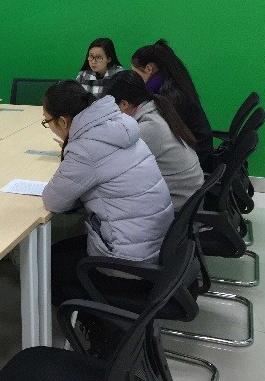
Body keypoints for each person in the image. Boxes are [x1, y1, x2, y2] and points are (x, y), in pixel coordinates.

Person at [41, 81, 173, 355]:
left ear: (63, 121)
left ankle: (100, 331)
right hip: (156, 245)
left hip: (128, 262)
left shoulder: (86, 148)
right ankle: (100, 321)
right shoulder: (119, 125)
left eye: (47, 122)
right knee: (62, 249)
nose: (49, 127)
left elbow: (54, 201)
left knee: (49, 265)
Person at [105, 70, 204, 210]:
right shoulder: (156, 108)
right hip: (187, 194)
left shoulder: (148, 128)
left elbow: (113, 165)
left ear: (124, 104)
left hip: (179, 204)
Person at [131, 39, 213, 170]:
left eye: (136, 74)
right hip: (199, 148)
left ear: (149, 69)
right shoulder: (172, 81)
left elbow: (161, 134)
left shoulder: (169, 95)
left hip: (196, 157)